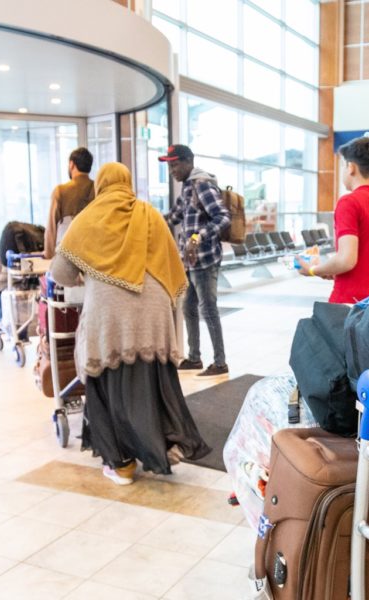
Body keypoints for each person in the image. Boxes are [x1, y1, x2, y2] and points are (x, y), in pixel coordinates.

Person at [50, 163, 210, 485]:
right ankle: (160, 445)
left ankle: (121, 463)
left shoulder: (88, 218)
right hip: (153, 314)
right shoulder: (149, 214)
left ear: (102, 186)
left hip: (109, 316)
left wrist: (88, 270)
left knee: (109, 382)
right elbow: (172, 264)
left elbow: (61, 273)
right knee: (149, 380)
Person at [296, 137, 369, 303]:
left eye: (343, 165)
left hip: (349, 303)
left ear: (351, 167)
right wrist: (336, 270)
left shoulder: (349, 203)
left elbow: (346, 260)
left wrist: (313, 269)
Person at [160, 144, 230, 377]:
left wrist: (199, 236)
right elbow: (173, 216)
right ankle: (194, 358)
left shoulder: (202, 185)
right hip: (189, 262)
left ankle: (220, 363)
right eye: (169, 166)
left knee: (208, 309)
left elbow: (223, 218)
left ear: (189, 161)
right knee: (188, 308)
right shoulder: (188, 187)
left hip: (205, 259)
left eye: (175, 164)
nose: (172, 170)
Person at [43, 147, 95, 259]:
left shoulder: (61, 191)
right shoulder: (98, 189)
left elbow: (51, 227)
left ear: (71, 164)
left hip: (66, 255)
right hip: (93, 254)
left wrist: (48, 253)